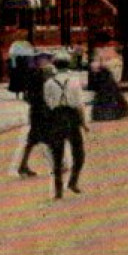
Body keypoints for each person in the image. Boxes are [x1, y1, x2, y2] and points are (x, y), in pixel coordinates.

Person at [44, 54, 89, 199]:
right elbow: (79, 104)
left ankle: (58, 190)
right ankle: (73, 181)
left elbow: (48, 103)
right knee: (79, 153)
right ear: (68, 65)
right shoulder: (74, 82)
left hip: (56, 117)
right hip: (72, 117)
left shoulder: (49, 83)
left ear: (55, 66)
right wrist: (84, 123)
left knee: (57, 155)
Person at [13, 53, 55, 178]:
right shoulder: (40, 75)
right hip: (41, 111)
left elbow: (27, 96)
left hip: (36, 111)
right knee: (49, 138)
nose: (47, 62)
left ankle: (23, 166)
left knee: (33, 140)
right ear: (39, 61)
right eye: (45, 59)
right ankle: (58, 164)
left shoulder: (34, 74)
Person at [86, 55, 128, 122]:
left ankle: (104, 116)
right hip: (108, 87)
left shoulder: (101, 68)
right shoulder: (106, 70)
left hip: (105, 88)